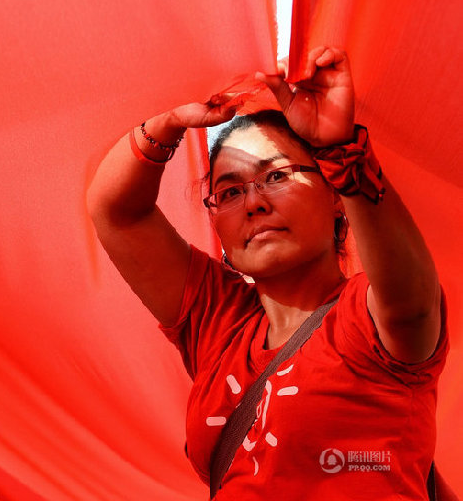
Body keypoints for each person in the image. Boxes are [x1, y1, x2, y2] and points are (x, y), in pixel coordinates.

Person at [87, 46, 448, 499]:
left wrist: (342, 152)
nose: (254, 203)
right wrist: (167, 124)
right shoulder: (218, 321)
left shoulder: (366, 317)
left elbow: (412, 304)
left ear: (334, 195)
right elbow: (118, 212)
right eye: (230, 191)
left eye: (276, 176)